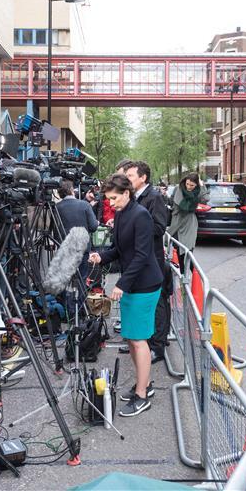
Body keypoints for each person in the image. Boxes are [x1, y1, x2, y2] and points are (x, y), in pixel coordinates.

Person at [89, 174, 163, 417]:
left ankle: (142, 395)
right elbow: (120, 250)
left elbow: (142, 254)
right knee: (131, 338)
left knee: (139, 340)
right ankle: (144, 384)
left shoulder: (141, 215)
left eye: (114, 198)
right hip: (133, 285)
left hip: (145, 285)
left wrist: (121, 283)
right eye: (108, 199)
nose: (110, 203)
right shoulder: (121, 214)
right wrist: (102, 257)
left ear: (126, 194)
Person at [125, 161, 170, 364]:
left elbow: (160, 227)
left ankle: (157, 347)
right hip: (139, 258)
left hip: (152, 260)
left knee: (158, 302)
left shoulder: (155, 197)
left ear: (143, 178)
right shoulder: (136, 197)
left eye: (131, 176)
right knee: (143, 303)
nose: (127, 179)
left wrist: (134, 228)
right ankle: (141, 341)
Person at [56, 179, 99, 286]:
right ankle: (79, 301)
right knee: (82, 278)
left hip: (64, 248)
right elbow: (93, 227)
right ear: (72, 190)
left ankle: (66, 302)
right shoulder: (85, 205)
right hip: (82, 248)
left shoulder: (56, 207)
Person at [168, 173, 209, 271]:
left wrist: (202, 185)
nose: (189, 187)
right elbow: (184, 207)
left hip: (190, 224)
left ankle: (196, 278)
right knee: (178, 252)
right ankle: (184, 278)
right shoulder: (179, 189)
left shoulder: (197, 191)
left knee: (188, 252)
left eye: (192, 185)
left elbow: (206, 198)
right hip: (177, 224)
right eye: (187, 184)